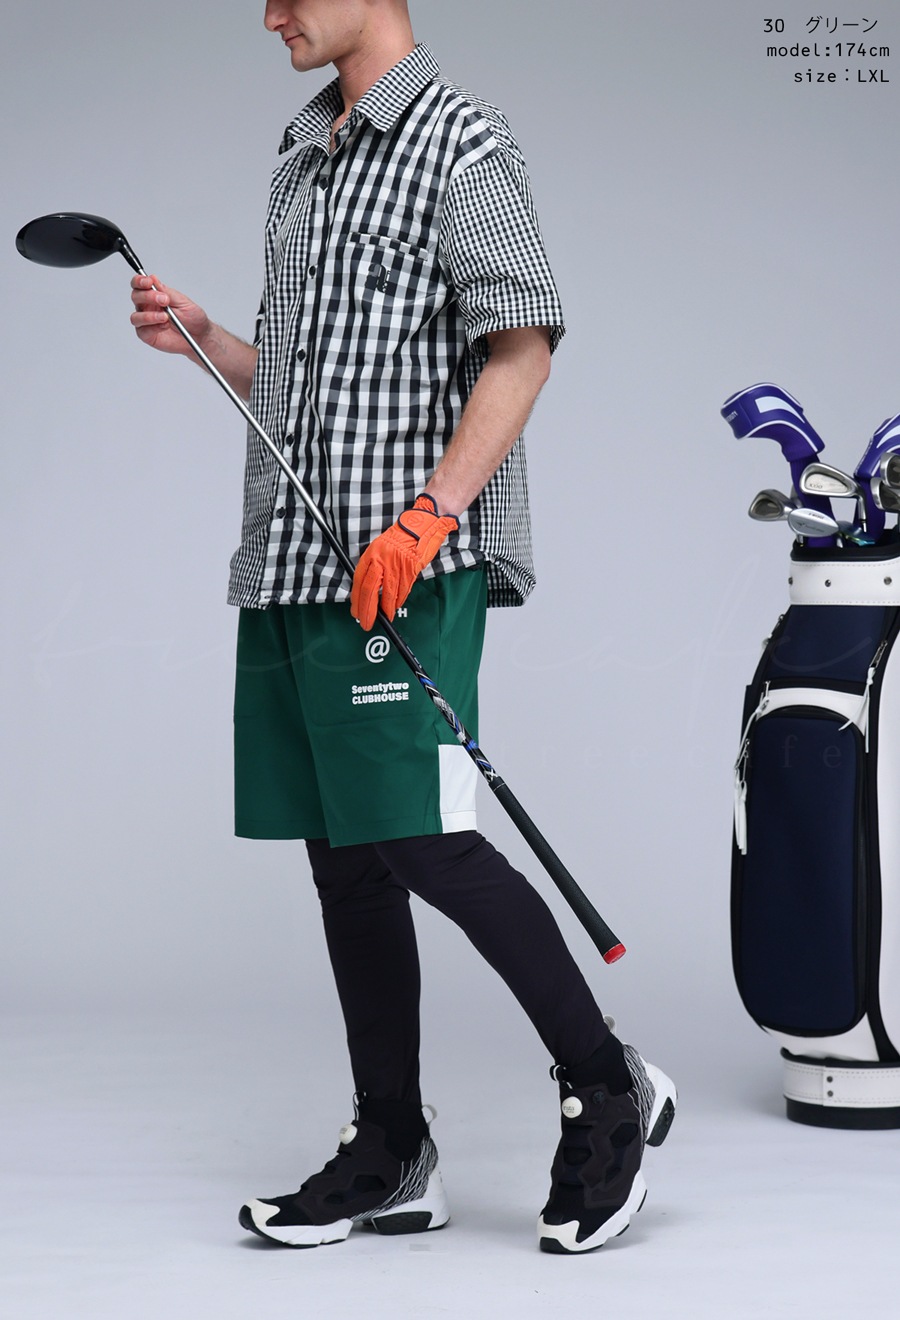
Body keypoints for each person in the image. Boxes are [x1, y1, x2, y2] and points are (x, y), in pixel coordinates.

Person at [130, 0, 675, 1254]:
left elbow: (522, 352)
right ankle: (392, 1146)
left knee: (423, 838)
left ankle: (609, 1087)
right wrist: (211, 343)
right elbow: (316, 386)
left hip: (405, 567)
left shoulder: (460, 141)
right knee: (344, 855)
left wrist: (427, 521)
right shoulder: (301, 156)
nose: (269, 14)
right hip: (296, 564)